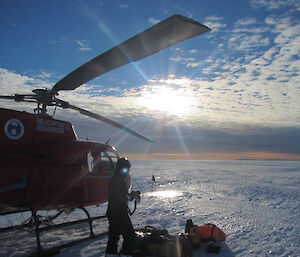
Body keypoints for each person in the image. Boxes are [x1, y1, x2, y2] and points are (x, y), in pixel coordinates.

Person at [105, 158, 140, 256]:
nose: (127, 172)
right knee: (130, 236)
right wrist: (132, 196)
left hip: (114, 212)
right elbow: (120, 198)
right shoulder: (117, 181)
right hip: (119, 213)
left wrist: (131, 195)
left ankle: (110, 254)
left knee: (113, 237)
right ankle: (126, 254)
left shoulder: (117, 179)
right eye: (126, 170)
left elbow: (122, 196)